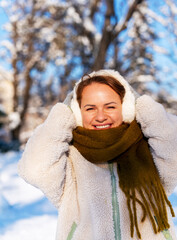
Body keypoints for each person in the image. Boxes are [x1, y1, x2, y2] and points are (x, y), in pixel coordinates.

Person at [18, 70, 177, 240]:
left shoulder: (148, 146)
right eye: (90, 108)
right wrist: (62, 113)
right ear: (77, 112)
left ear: (126, 107)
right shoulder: (69, 154)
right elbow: (33, 169)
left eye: (110, 106)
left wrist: (142, 105)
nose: (101, 116)